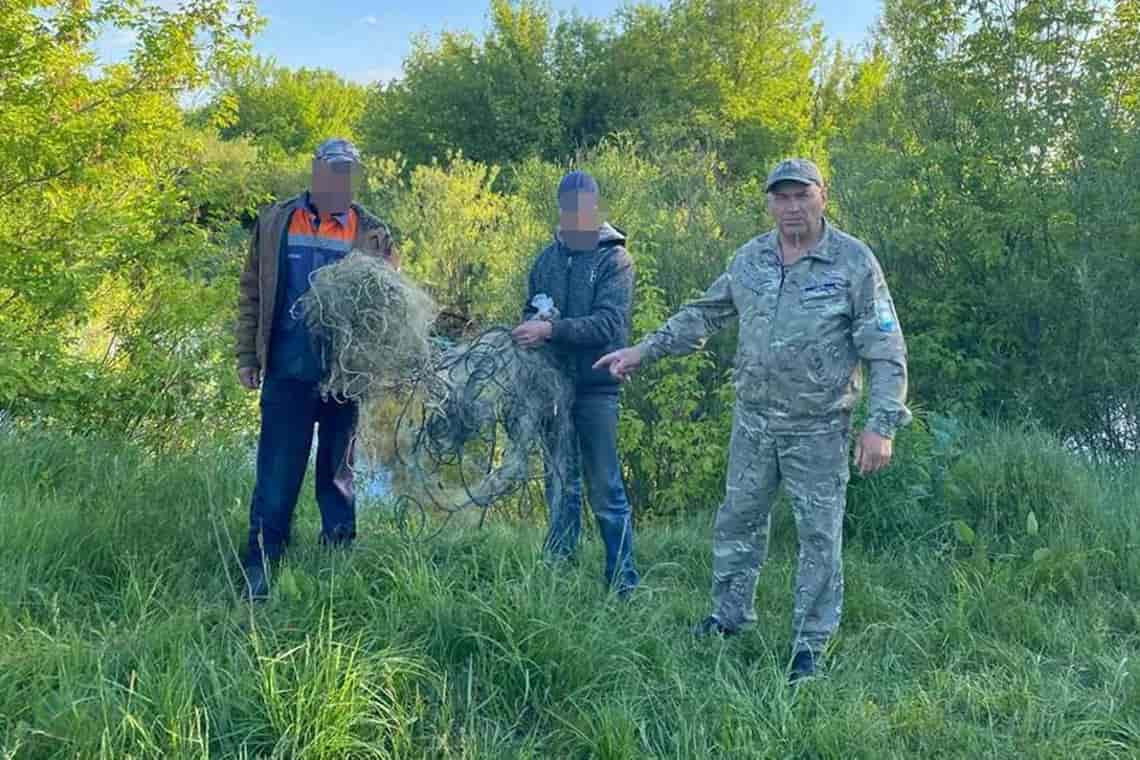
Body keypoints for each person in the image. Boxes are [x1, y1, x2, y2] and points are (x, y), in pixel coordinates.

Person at [594, 158, 911, 680]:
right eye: (781, 197)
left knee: (818, 537)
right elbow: (704, 313)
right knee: (738, 521)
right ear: (769, 202)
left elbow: (885, 347)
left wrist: (881, 425)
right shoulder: (752, 258)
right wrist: (643, 351)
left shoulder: (853, 263)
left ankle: (809, 645)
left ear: (822, 197)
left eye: (800, 196)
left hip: (818, 426)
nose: (791, 207)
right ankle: (729, 616)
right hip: (754, 423)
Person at [234, 138, 399, 600]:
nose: (340, 180)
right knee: (276, 472)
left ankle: (336, 563)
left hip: (344, 376)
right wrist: (247, 356)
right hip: (286, 369)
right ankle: (262, 565)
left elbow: (388, 306)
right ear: (316, 172)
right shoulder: (276, 221)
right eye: (333, 170)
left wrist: (384, 364)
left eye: (348, 172)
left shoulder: (372, 231)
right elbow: (251, 293)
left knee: (337, 472)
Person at [511, 170, 640, 596]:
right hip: (552, 391)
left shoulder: (614, 260)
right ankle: (558, 578)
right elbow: (532, 310)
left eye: (586, 208)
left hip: (596, 390)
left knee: (605, 488)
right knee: (559, 486)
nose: (578, 217)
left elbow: (609, 324)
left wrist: (552, 331)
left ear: (596, 208)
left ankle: (623, 583)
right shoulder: (545, 260)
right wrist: (531, 329)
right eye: (571, 209)